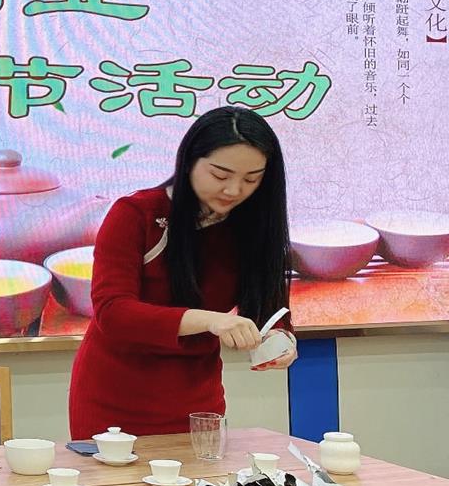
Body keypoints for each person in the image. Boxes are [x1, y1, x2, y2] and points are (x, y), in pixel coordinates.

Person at [69, 106, 297, 439]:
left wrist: (280, 338)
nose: (234, 190)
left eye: (251, 179)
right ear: (189, 161)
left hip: (197, 399)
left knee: (201, 473)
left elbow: (270, 309)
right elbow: (113, 312)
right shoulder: (137, 214)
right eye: (220, 175)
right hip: (115, 395)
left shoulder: (254, 225)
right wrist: (211, 321)